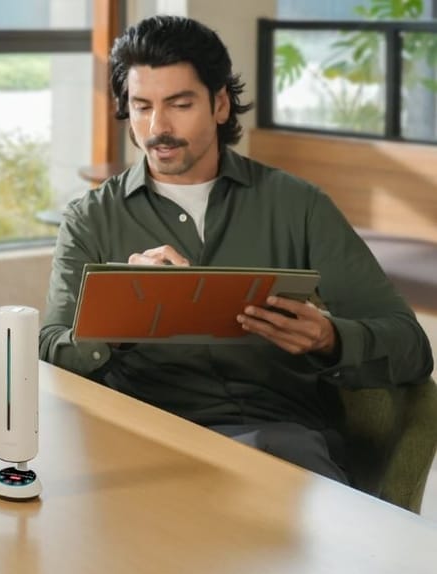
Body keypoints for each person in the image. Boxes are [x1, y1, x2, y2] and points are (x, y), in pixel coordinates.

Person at [39, 15, 433, 483]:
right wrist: (123, 312)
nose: (156, 127)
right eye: (141, 107)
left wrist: (330, 339)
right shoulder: (91, 218)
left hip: (278, 439)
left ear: (221, 104)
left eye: (179, 105)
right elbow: (49, 351)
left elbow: (411, 347)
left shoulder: (298, 206)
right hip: (145, 438)